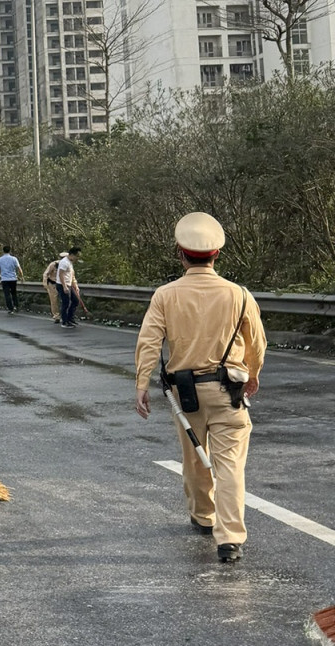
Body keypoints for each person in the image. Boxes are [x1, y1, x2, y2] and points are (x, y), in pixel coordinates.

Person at [134, 212, 266, 564]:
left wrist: (141, 382)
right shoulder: (239, 295)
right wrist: (252, 374)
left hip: (185, 393)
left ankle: (204, 517)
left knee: (194, 458)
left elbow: (149, 342)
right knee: (230, 466)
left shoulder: (165, 295)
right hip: (229, 393)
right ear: (217, 254)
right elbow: (257, 343)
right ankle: (230, 538)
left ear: (180, 252)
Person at [57, 247, 82, 328]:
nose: (77, 258)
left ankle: (70, 318)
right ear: (71, 255)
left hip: (69, 285)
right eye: (77, 256)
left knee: (75, 300)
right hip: (62, 285)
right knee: (66, 303)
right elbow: (61, 274)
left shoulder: (70, 262)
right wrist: (64, 286)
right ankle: (64, 322)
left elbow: (71, 275)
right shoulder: (64, 262)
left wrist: (75, 286)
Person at [0, 246, 24, 315]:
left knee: (7, 294)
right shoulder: (14, 259)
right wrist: (22, 276)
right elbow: (19, 268)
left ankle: (10, 308)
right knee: (14, 293)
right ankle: (16, 306)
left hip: (4, 279)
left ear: (3, 251)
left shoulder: (0, 259)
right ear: (10, 251)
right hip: (13, 278)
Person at [42, 253, 69, 323]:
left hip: (62, 284)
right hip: (52, 284)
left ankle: (65, 315)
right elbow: (46, 273)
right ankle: (56, 316)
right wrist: (45, 283)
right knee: (54, 300)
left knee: (65, 300)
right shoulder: (53, 264)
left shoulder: (68, 265)